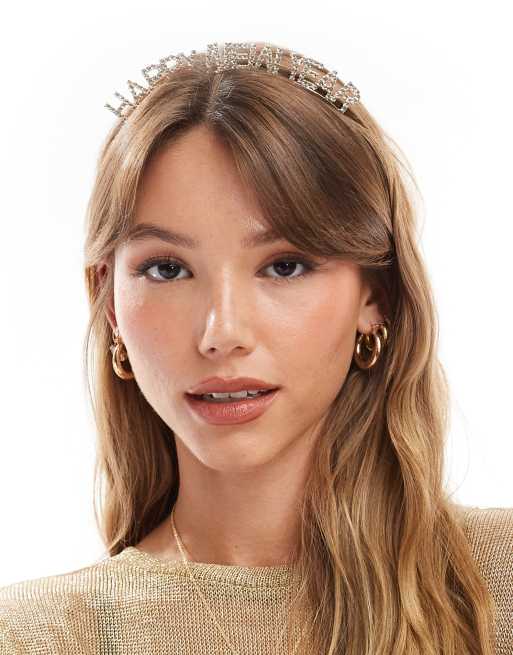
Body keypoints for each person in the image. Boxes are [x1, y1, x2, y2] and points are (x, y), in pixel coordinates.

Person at [0, 40, 511, 655]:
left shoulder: (497, 584)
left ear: (376, 294)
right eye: (167, 269)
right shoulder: (33, 636)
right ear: (108, 301)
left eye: (285, 266)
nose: (221, 334)